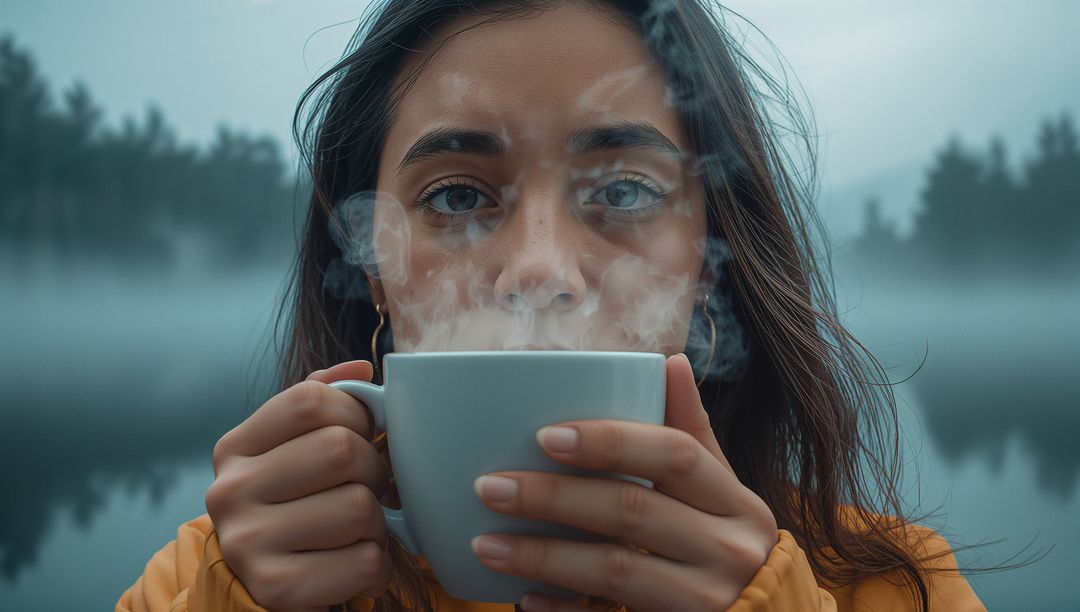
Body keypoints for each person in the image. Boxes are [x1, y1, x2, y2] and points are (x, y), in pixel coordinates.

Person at [118, 1, 986, 610]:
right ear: (371, 263)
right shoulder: (206, 586)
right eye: (457, 197)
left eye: (626, 189)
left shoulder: (891, 590)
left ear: (708, 266)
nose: (539, 271)